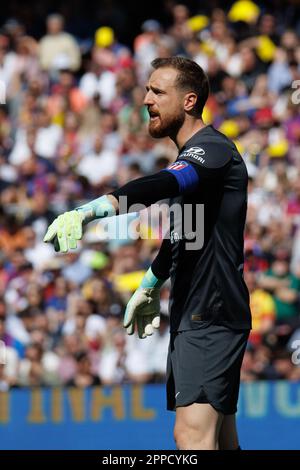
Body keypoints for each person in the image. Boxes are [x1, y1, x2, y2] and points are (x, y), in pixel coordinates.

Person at [44, 57, 251, 450]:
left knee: (191, 438)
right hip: (203, 311)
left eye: (158, 91)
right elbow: (184, 233)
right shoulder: (195, 158)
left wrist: (94, 209)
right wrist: (152, 282)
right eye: (146, 90)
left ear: (189, 101)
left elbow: (166, 181)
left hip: (211, 311)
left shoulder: (212, 150)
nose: (146, 99)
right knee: (221, 442)